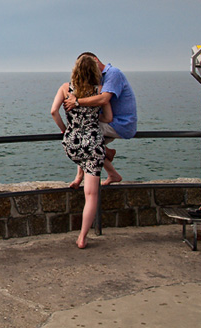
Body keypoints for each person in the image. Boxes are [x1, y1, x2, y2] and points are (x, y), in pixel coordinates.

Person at [50, 54, 113, 249]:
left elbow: (53, 111)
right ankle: (83, 237)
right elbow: (109, 118)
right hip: (93, 143)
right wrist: (93, 119)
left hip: (72, 143)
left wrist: (64, 129)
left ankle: (80, 176)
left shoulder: (65, 88)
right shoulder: (99, 91)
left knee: (82, 160)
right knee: (92, 195)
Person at [64, 52, 137, 186]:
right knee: (89, 142)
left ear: (95, 60)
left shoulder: (113, 74)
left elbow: (104, 99)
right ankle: (110, 170)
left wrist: (77, 102)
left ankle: (80, 177)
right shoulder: (98, 79)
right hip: (110, 121)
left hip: (121, 123)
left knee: (83, 135)